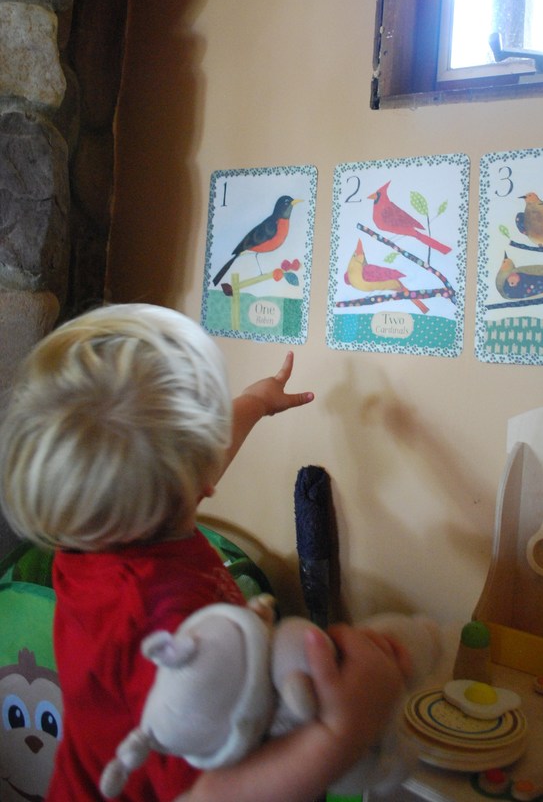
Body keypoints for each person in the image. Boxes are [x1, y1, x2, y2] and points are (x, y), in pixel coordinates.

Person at [0, 303, 407, 802]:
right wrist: (336, 735)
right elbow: (208, 795)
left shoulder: (91, 533)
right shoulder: (162, 625)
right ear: (199, 485)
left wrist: (256, 403)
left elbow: (178, 468)